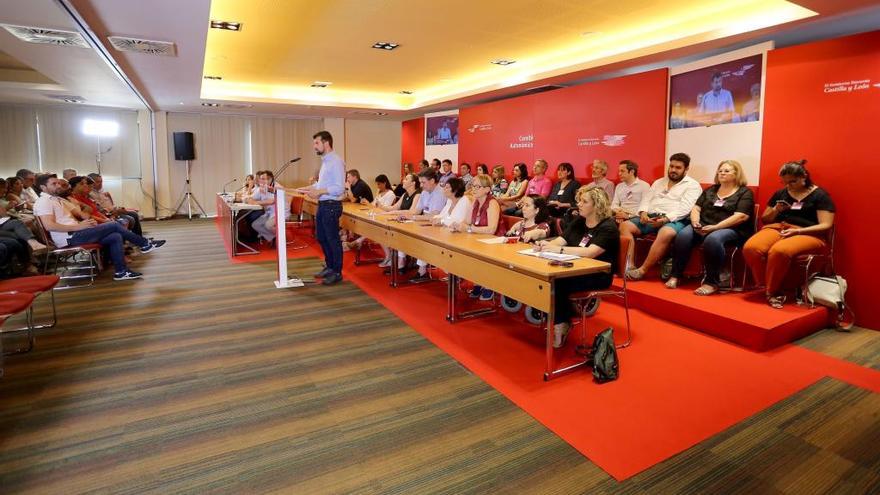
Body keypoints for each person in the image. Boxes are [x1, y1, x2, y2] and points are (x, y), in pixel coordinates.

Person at [34, 175, 164, 281]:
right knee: (114, 225)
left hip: (76, 232)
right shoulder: (44, 202)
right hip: (69, 237)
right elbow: (49, 225)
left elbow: (79, 213)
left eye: (58, 183)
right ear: (42, 187)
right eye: (54, 184)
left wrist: (87, 219)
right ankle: (144, 244)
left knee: (115, 236)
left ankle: (121, 272)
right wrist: (79, 226)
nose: (58, 186)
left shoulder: (56, 199)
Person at [534, 187, 619, 348]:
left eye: (584, 201)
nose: (578, 204)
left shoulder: (608, 227)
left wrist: (557, 250)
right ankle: (558, 318)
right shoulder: (580, 220)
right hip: (572, 268)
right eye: (579, 200)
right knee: (545, 277)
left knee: (556, 282)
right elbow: (562, 240)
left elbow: (590, 252)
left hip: (597, 275)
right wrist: (545, 245)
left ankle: (562, 323)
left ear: (597, 205)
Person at [743, 160, 835, 309]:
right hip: (778, 227)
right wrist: (776, 210)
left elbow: (826, 225)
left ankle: (772, 292)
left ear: (804, 176)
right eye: (785, 182)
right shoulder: (781, 193)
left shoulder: (820, 195)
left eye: (793, 181)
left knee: (779, 251)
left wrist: (798, 231)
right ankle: (768, 285)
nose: (788, 185)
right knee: (751, 248)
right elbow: (765, 219)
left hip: (808, 233)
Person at [667, 160, 755, 295]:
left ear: (736, 174)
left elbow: (741, 216)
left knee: (713, 239)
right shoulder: (711, 190)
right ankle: (676, 275)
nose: (722, 173)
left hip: (732, 229)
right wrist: (695, 222)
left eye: (726, 171)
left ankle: (711, 282)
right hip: (704, 224)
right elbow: (696, 208)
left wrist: (716, 227)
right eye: (720, 171)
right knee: (683, 235)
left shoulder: (745, 192)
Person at [621, 152, 702, 280]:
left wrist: (665, 219)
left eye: (678, 167)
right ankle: (629, 266)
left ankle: (642, 270)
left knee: (666, 233)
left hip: (674, 219)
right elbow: (646, 199)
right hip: (652, 216)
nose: (673, 170)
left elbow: (686, 209)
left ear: (686, 169)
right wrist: (643, 212)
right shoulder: (659, 182)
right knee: (625, 226)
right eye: (671, 166)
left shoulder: (693, 185)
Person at [297, 131, 346, 285]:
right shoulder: (325, 162)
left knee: (333, 240)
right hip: (323, 205)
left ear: (326, 143)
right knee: (322, 237)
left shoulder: (336, 161)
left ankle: (337, 272)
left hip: (332, 206)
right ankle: (330, 266)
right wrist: (307, 188)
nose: (314, 147)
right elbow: (321, 185)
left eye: (316, 143)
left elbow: (339, 188)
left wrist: (318, 191)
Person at [452, 174, 504, 300]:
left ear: (487, 189)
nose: (473, 189)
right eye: (472, 186)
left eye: (477, 186)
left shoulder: (492, 203)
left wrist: (469, 229)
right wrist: (459, 225)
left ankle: (489, 285)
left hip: (494, 241)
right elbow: (466, 221)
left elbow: (491, 230)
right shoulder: (475, 202)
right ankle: (478, 281)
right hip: (478, 238)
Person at [410, 178, 472, 283]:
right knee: (425, 239)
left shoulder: (464, 201)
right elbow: (441, 216)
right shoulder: (449, 201)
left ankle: (455, 273)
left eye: (447, 187)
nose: (444, 189)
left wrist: (441, 220)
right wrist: (437, 219)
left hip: (460, 236)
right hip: (448, 233)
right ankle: (422, 270)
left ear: (455, 190)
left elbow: (456, 221)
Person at [377, 173, 421, 272]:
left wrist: (395, 212)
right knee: (383, 230)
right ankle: (396, 260)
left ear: (413, 183)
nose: (403, 180)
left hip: (413, 224)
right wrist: (381, 206)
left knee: (397, 234)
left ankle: (401, 262)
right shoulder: (405, 194)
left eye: (406, 179)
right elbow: (393, 207)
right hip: (402, 221)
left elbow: (412, 211)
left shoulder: (418, 194)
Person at [247, 171, 283, 244]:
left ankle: (281, 240)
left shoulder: (277, 187)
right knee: (255, 224)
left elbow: (272, 201)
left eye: (263, 179)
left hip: (280, 212)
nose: (260, 180)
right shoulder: (262, 187)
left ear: (270, 179)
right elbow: (251, 198)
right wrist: (250, 199)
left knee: (268, 225)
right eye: (261, 179)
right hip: (269, 213)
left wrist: (256, 202)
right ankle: (274, 237)